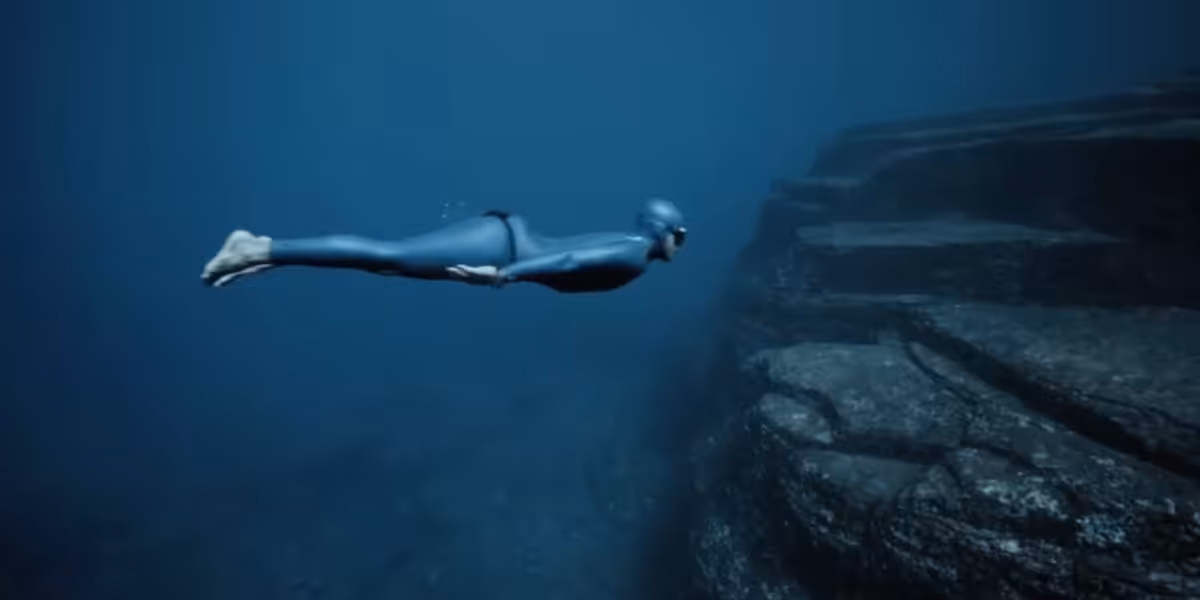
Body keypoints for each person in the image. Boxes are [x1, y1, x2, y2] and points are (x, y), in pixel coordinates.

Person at [200, 198, 687, 293]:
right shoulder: (634, 254)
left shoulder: (628, 240)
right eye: (680, 234)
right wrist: (504, 277)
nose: (681, 243)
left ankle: (272, 255)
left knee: (385, 264)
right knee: (386, 256)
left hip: (502, 235)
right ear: (661, 230)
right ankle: (259, 249)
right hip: (502, 249)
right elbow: (570, 259)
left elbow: (568, 261)